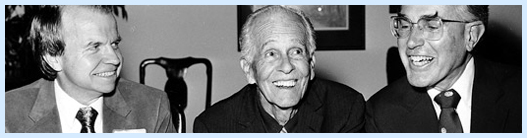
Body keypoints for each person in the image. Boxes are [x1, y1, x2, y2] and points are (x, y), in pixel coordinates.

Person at [5, 5, 177, 133]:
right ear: (53, 58)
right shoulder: (8, 114)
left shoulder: (151, 106)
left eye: (115, 44)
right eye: (94, 47)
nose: (115, 59)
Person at [194, 5, 365, 133]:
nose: (286, 66)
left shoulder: (346, 111)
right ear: (249, 70)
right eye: (271, 54)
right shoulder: (214, 126)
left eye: (296, 51)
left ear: (311, 63)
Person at [366, 5, 521, 133]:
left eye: (432, 26)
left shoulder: (519, 93)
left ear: (471, 36)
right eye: (405, 25)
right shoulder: (380, 113)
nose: (411, 42)